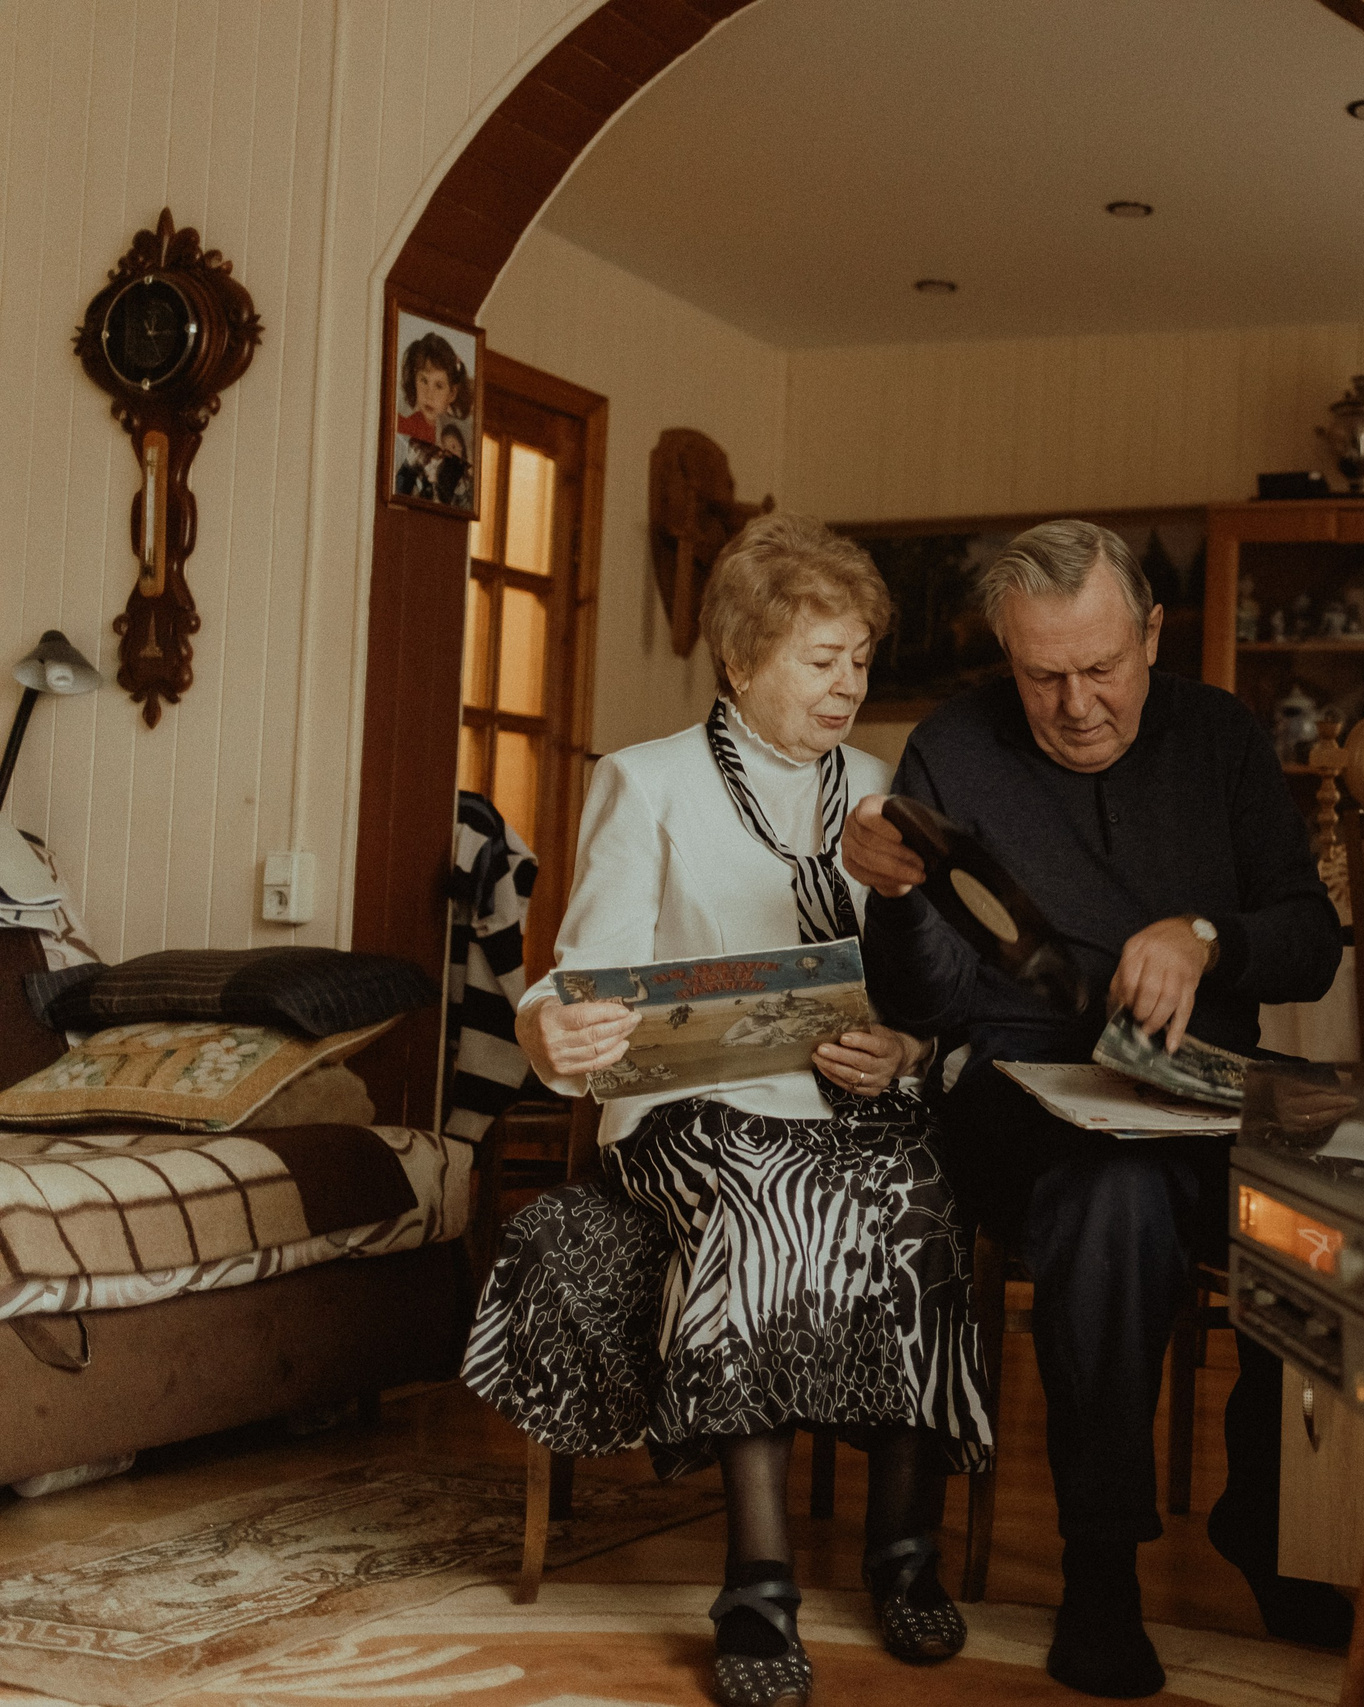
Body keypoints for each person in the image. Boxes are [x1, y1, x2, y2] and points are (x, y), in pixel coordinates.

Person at [466, 512, 990, 1707]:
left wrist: (901, 1049)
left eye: (859, 656)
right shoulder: (644, 782)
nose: (848, 683)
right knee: (765, 1199)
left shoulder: (885, 791)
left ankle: (900, 1549)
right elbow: (582, 976)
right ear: (743, 657)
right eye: (821, 658)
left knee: (918, 1195)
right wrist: (554, 1026)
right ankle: (757, 1584)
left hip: (847, 1106)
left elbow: (929, 983)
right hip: (690, 1113)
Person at [843, 520, 1350, 1699]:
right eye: (1042, 676)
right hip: (1020, 1100)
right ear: (1006, 657)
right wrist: (895, 898)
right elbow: (917, 995)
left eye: (1102, 670)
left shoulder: (1219, 736)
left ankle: (1269, 1522)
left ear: (1153, 637)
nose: (1075, 705)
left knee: (1326, 1199)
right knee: (1111, 1201)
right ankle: (1103, 1573)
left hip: (1201, 1096)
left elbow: (1312, 943)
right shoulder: (954, 748)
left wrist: (1205, 937)